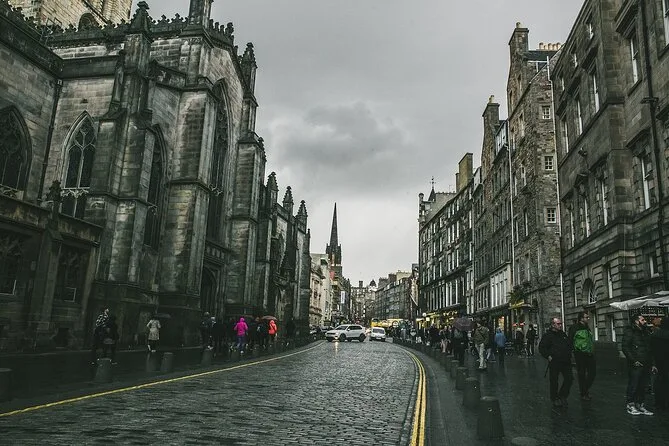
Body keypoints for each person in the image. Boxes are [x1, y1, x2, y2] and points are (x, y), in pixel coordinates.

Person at [622, 314, 657, 415]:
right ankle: (630, 405)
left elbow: (650, 349)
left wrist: (652, 363)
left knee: (643, 386)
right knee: (634, 385)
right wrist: (633, 360)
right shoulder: (630, 331)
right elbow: (625, 347)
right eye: (643, 320)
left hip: (646, 362)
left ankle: (640, 405)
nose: (645, 321)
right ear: (636, 321)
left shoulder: (646, 331)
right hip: (636, 364)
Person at [538, 317, 573, 408]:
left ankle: (562, 395)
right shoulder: (548, 335)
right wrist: (548, 356)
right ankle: (554, 398)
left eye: (560, 323)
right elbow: (542, 348)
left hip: (565, 361)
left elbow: (568, 344)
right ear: (553, 325)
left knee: (569, 378)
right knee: (554, 381)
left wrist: (569, 352)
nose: (560, 325)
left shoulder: (563, 334)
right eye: (558, 324)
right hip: (555, 361)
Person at [568, 311, 596, 401]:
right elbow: (570, 340)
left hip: (589, 353)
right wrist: (573, 350)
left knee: (593, 373)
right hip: (580, 354)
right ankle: (584, 393)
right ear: (581, 318)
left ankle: (584, 390)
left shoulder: (587, 327)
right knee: (582, 374)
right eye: (586, 317)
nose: (588, 318)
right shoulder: (574, 328)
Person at [651, 317, 669, 412]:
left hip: (658, 362)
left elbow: (651, 350)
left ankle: (659, 404)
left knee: (659, 383)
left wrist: (653, 363)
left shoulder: (654, 334)